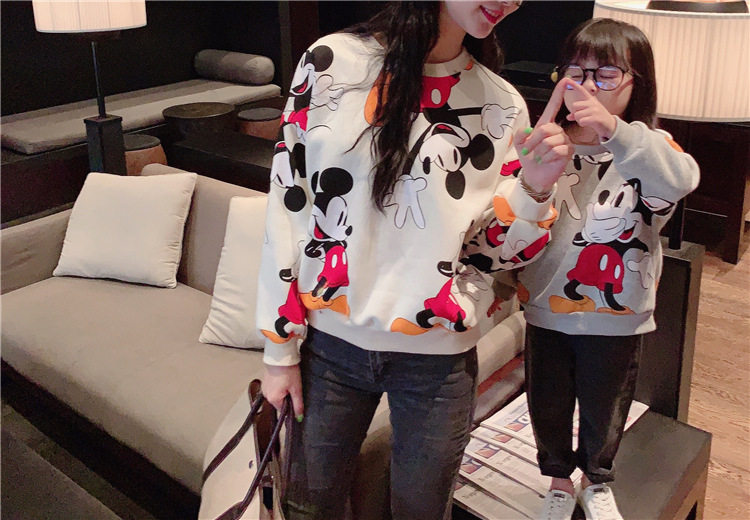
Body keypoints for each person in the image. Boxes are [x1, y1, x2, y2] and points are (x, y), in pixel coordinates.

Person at [256, 2, 575, 518]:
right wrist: (279, 351)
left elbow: (490, 254)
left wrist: (535, 189)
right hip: (330, 347)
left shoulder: (501, 105)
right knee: (308, 508)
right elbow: (288, 204)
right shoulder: (331, 63)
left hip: (437, 361)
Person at [517, 18, 700, 520]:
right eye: (576, 72)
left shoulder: (650, 149)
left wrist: (612, 130)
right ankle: (558, 479)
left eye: (606, 74)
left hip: (618, 314)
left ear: (636, 81)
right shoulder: (550, 142)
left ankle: (596, 479)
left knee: (607, 405)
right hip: (545, 307)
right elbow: (515, 214)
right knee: (548, 403)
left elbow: (680, 178)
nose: (588, 86)